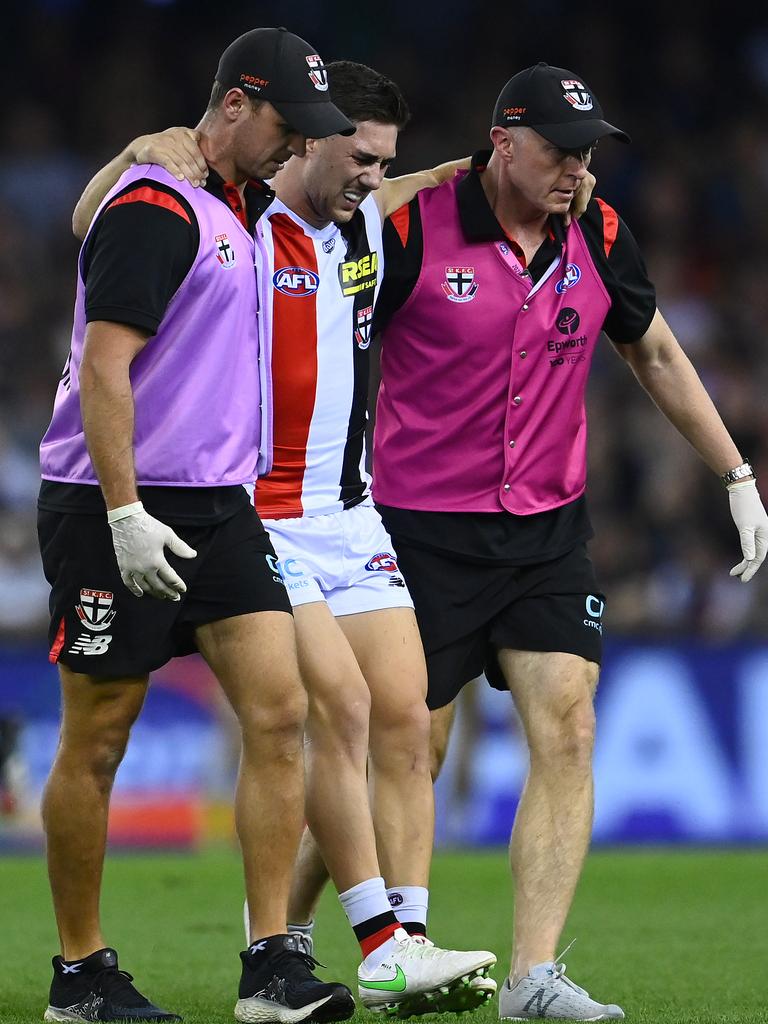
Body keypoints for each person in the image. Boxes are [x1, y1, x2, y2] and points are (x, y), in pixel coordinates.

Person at [71, 61, 503, 1018]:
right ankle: (367, 943)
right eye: (357, 153)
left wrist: (444, 175)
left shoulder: (364, 220)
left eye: (381, 161)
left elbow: (406, 186)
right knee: (330, 710)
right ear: (308, 138)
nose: (369, 174)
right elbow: (97, 220)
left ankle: (409, 938)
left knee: (406, 708)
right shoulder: (240, 214)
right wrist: (134, 150)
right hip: (255, 510)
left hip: (349, 510)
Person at [369, 63, 768, 1021]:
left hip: (547, 529)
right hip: (417, 528)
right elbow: (323, 324)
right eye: (557, 148)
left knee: (571, 722)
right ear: (501, 142)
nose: (577, 168)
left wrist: (737, 476)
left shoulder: (599, 231)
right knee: (405, 746)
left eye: (588, 150)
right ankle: (309, 940)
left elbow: (656, 350)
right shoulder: (411, 228)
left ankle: (531, 978)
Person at [38, 27, 358, 1024]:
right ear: (232, 107)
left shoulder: (245, 205)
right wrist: (127, 513)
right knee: (99, 736)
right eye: (285, 126)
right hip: (111, 501)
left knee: (279, 710)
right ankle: (80, 975)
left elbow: (380, 186)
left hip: (220, 505)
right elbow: (103, 368)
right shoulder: (158, 203)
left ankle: (269, 967)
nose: (295, 147)